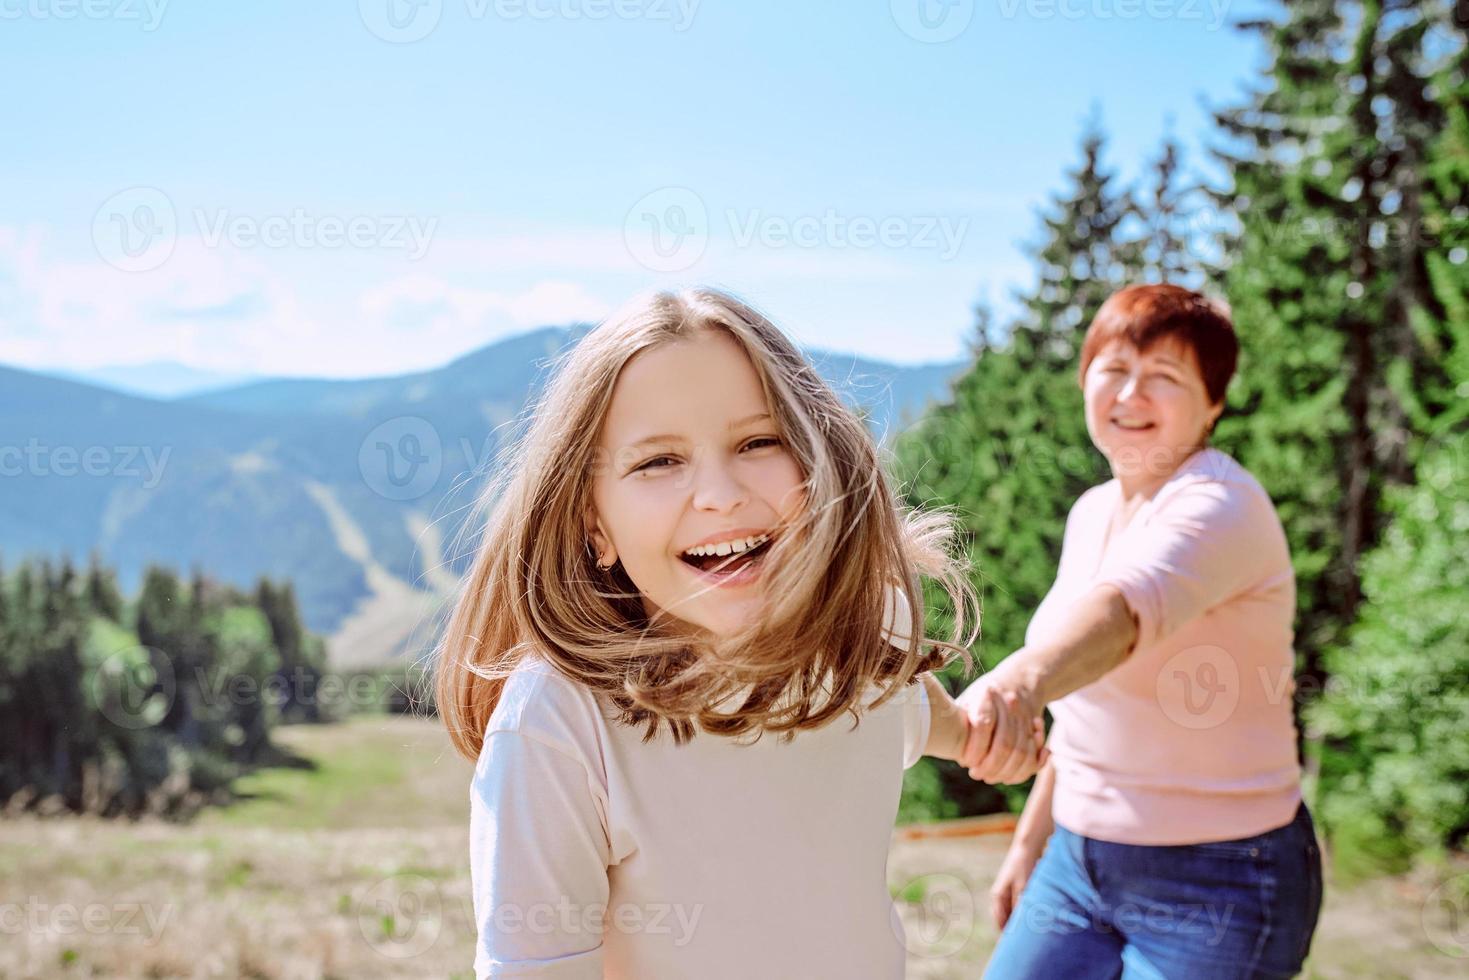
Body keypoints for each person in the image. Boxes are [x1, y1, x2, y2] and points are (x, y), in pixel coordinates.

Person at [435, 286, 1025, 979]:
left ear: (816, 466)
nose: (719, 492)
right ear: (593, 526)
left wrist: (989, 735)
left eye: (757, 442)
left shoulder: (863, 639)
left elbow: (913, 709)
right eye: (658, 461)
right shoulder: (557, 722)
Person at [954, 284, 1324, 978]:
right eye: (1113, 369)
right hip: (1078, 859)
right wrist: (1029, 845)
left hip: (1220, 875)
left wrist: (1014, 683)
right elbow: (1086, 707)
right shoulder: (1091, 512)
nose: (1130, 394)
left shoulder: (1219, 504)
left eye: (1163, 377)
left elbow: (1121, 618)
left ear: (1212, 403)